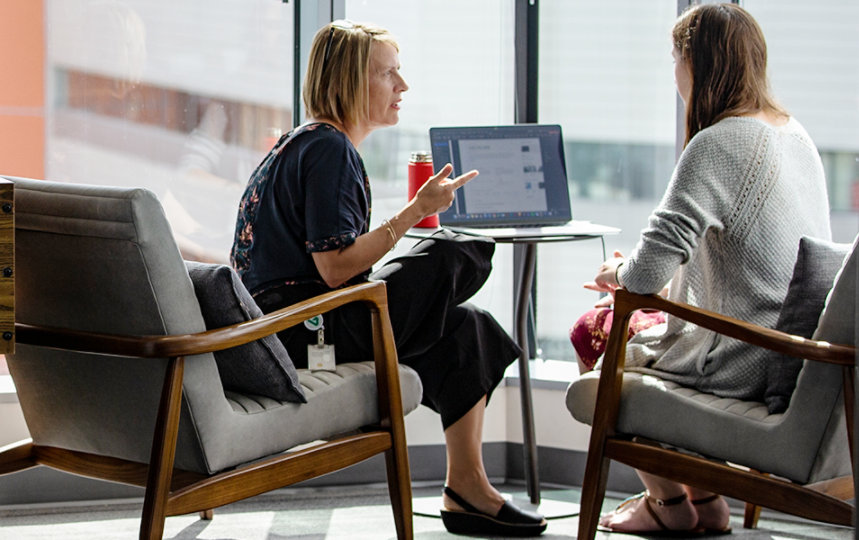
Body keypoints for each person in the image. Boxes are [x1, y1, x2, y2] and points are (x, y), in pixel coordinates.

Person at [230, 20, 547, 537]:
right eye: (388, 74)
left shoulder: (304, 143)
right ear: (352, 81)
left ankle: (466, 489)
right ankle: (468, 484)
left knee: (469, 327)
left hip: (297, 324)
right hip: (307, 332)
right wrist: (415, 212)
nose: (402, 86)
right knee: (455, 251)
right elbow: (334, 268)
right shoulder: (330, 149)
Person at [575, 4, 831, 535]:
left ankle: (667, 506)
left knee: (593, 328)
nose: (674, 73)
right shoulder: (796, 137)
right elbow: (753, 259)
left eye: (676, 57)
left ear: (697, 63)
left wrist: (616, 275)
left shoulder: (717, 143)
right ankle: (708, 500)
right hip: (789, 346)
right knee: (634, 319)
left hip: (742, 356)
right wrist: (648, 274)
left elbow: (644, 279)